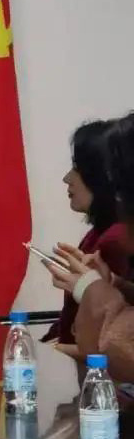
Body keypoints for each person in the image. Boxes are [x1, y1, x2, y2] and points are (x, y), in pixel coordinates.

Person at [47, 114, 134, 383]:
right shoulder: (107, 234)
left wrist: (91, 289)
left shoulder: (115, 237)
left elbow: (116, 349)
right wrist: (112, 284)